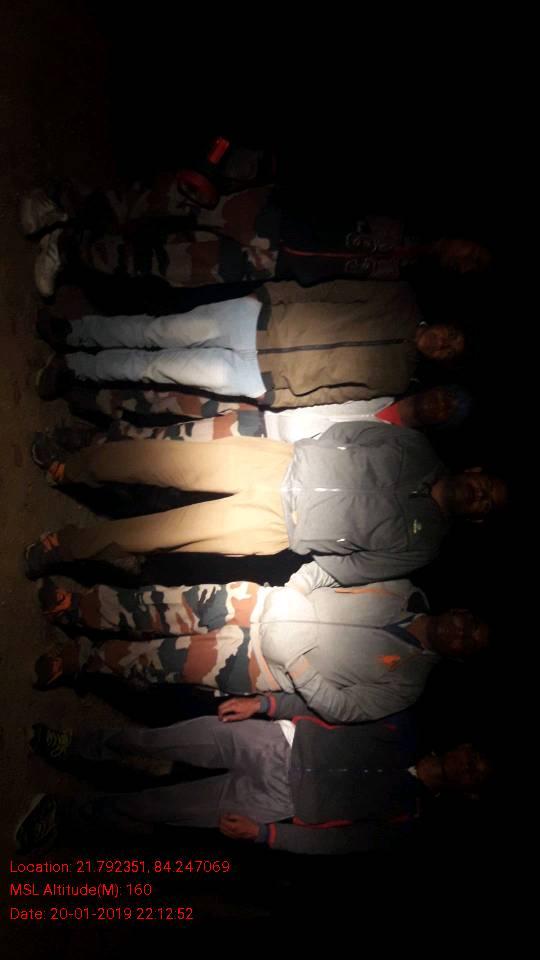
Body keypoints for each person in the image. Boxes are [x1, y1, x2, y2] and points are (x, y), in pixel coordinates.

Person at [23, 421, 507, 586]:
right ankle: (72, 466)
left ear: (480, 518)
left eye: (486, 503)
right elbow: (353, 433)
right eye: (485, 484)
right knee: (160, 460)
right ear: (476, 470)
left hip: (275, 527)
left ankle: (65, 547)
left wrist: (313, 535)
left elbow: (355, 569)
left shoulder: (424, 547)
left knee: (160, 535)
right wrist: (309, 457)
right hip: (277, 463)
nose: (478, 494)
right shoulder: (417, 448)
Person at [35, 569, 489, 725]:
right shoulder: (399, 588)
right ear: (461, 611)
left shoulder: (408, 684)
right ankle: (78, 606)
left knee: (158, 663)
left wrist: (297, 664)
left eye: (468, 644)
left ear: (460, 658)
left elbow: (345, 709)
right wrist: (296, 589)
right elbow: (336, 568)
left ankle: (80, 659)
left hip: (260, 665)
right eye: (469, 626)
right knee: (160, 605)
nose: (461, 634)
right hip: (259, 603)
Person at [15, 710, 491, 855]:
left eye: (475, 775)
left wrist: (267, 834)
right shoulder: (403, 724)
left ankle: (66, 815)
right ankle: (75, 745)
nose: (467, 765)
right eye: (474, 757)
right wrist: (266, 703)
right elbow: (334, 703)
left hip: (277, 801)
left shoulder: (407, 818)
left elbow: (339, 842)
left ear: (469, 792)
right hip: (277, 742)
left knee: (163, 808)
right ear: (463, 745)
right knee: (161, 741)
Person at [20, 177, 491, 298]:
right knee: (158, 201)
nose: (464, 263)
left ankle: (68, 250)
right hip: (271, 214)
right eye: (473, 254)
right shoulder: (413, 207)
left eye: (471, 269)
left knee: (165, 264)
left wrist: (285, 270)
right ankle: (60, 203)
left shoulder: (408, 273)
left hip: (273, 263)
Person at [35, 279, 465, 407]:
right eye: (452, 334)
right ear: (445, 322)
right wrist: (268, 295)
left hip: (260, 377)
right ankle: (74, 333)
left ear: (442, 361)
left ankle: (75, 369)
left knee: (156, 368)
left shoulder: (398, 378)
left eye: (450, 350)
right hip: (255, 319)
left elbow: (338, 394)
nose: (443, 342)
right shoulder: (398, 297)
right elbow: (332, 289)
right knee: (157, 331)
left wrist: (279, 398)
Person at [30, 384, 473, 477]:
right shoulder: (380, 386)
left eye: (449, 410)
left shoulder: (399, 451)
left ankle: (83, 446)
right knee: (161, 399)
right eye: (446, 395)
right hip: (262, 402)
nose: (440, 403)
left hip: (266, 449)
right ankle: (83, 393)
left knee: (165, 447)